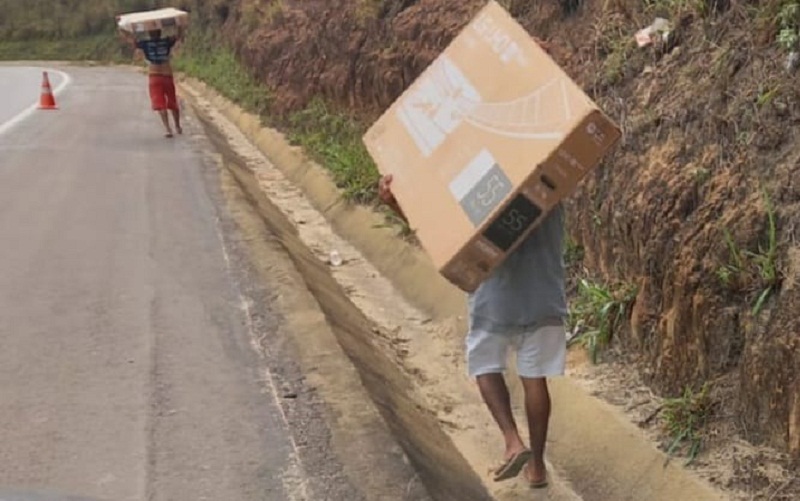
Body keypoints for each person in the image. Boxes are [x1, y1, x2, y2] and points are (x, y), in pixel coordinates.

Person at [378, 172, 567, 490]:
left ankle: (512, 441)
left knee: (485, 365)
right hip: (544, 293)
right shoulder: (552, 182)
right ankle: (536, 468)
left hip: (494, 295)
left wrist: (397, 205)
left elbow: (443, 236)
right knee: (535, 377)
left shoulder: (480, 190)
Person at [119, 25, 184, 138]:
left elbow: (131, 41)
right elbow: (178, 36)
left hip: (154, 76)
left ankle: (168, 129)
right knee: (172, 100)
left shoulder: (146, 44)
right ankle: (177, 126)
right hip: (167, 74)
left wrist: (122, 28)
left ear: (149, 34)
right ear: (160, 32)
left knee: (160, 103)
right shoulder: (166, 41)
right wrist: (179, 25)